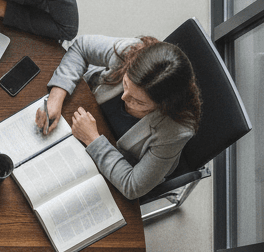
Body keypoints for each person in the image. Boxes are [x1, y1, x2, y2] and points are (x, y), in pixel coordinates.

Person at [33, 35, 202, 200]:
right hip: (85, 114)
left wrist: (92, 139)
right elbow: (81, 47)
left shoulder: (175, 131)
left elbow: (132, 186)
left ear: (163, 106)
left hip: (111, 159)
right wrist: (56, 95)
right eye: (126, 84)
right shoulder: (131, 52)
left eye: (138, 102)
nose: (124, 98)